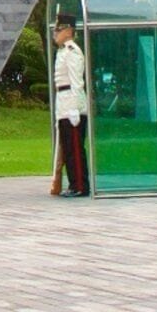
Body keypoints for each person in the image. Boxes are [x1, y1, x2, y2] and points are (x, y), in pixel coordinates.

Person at [47, 18, 92, 196]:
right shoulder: (63, 51)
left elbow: (77, 82)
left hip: (73, 107)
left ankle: (80, 186)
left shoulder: (72, 51)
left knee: (75, 149)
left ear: (68, 31)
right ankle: (74, 184)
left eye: (58, 30)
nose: (55, 34)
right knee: (68, 149)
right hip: (64, 105)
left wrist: (74, 108)